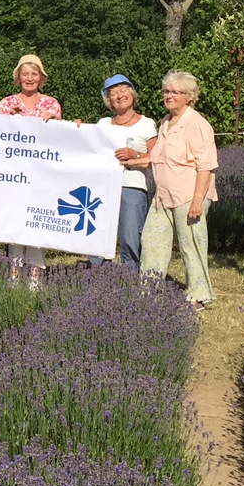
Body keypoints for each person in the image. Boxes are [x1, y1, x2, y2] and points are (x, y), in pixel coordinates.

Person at [141, 69, 218, 309]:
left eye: (175, 92)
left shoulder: (197, 124)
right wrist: (127, 159)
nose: (169, 95)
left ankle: (200, 296)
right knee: (151, 240)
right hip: (162, 198)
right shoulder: (165, 122)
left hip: (188, 197)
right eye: (166, 91)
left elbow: (206, 166)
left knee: (191, 246)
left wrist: (197, 201)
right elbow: (155, 158)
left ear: (190, 96)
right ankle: (148, 293)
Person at [0, 54, 62, 287]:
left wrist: (56, 121)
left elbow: (58, 139)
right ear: (18, 77)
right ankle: (14, 275)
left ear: (41, 77)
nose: (29, 78)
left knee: (37, 222)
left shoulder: (51, 104)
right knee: (15, 222)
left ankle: (35, 278)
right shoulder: (7, 104)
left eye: (34, 74)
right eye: (25, 73)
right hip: (14, 173)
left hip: (41, 174)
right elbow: (0, 137)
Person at [94, 74, 156, 270]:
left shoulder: (147, 124)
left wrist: (135, 155)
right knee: (98, 234)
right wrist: (78, 127)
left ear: (132, 93)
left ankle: (129, 279)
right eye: (113, 93)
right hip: (103, 188)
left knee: (130, 236)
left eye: (123, 90)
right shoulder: (102, 124)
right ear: (109, 101)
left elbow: (156, 159)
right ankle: (98, 277)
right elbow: (87, 149)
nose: (119, 95)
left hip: (133, 187)